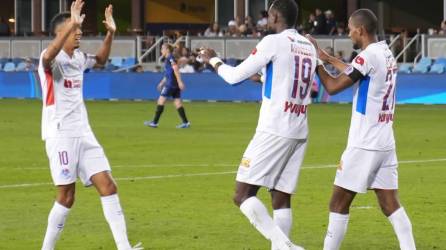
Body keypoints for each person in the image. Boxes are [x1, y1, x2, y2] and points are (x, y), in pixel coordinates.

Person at [200, 0, 317, 249]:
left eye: (268, 16)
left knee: (242, 195)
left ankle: (285, 246)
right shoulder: (308, 45)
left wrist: (213, 61)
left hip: (275, 128)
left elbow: (233, 78)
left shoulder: (272, 42)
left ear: (274, 16)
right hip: (299, 128)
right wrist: (262, 78)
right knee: (280, 196)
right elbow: (283, 77)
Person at [306, 8, 416, 250]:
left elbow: (333, 87)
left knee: (337, 204)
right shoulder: (384, 52)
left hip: (364, 143)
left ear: (361, 30)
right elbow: (358, 71)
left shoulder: (366, 57)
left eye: (350, 29)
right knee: (390, 204)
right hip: (385, 140)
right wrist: (327, 57)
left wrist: (315, 63)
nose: (348, 33)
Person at [38, 1, 142, 250]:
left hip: (84, 133)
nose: (78, 35)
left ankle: (124, 247)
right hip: (61, 133)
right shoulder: (49, 59)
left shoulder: (79, 58)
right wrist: (72, 23)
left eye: (79, 32)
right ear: (60, 33)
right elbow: (49, 56)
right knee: (66, 197)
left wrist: (111, 33)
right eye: (74, 31)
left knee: (108, 186)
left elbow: (102, 59)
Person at [144, 43, 190, 128]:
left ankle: (155, 122)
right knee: (177, 102)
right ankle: (185, 122)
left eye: (162, 48)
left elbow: (175, 68)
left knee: (160, 101)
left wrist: (180, 82)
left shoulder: (170, 58)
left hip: (171, 84)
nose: (161, 50)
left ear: (167, 50)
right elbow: (169, 73)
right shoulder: (168, 59)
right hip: (173, 83)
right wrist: (162, 82)